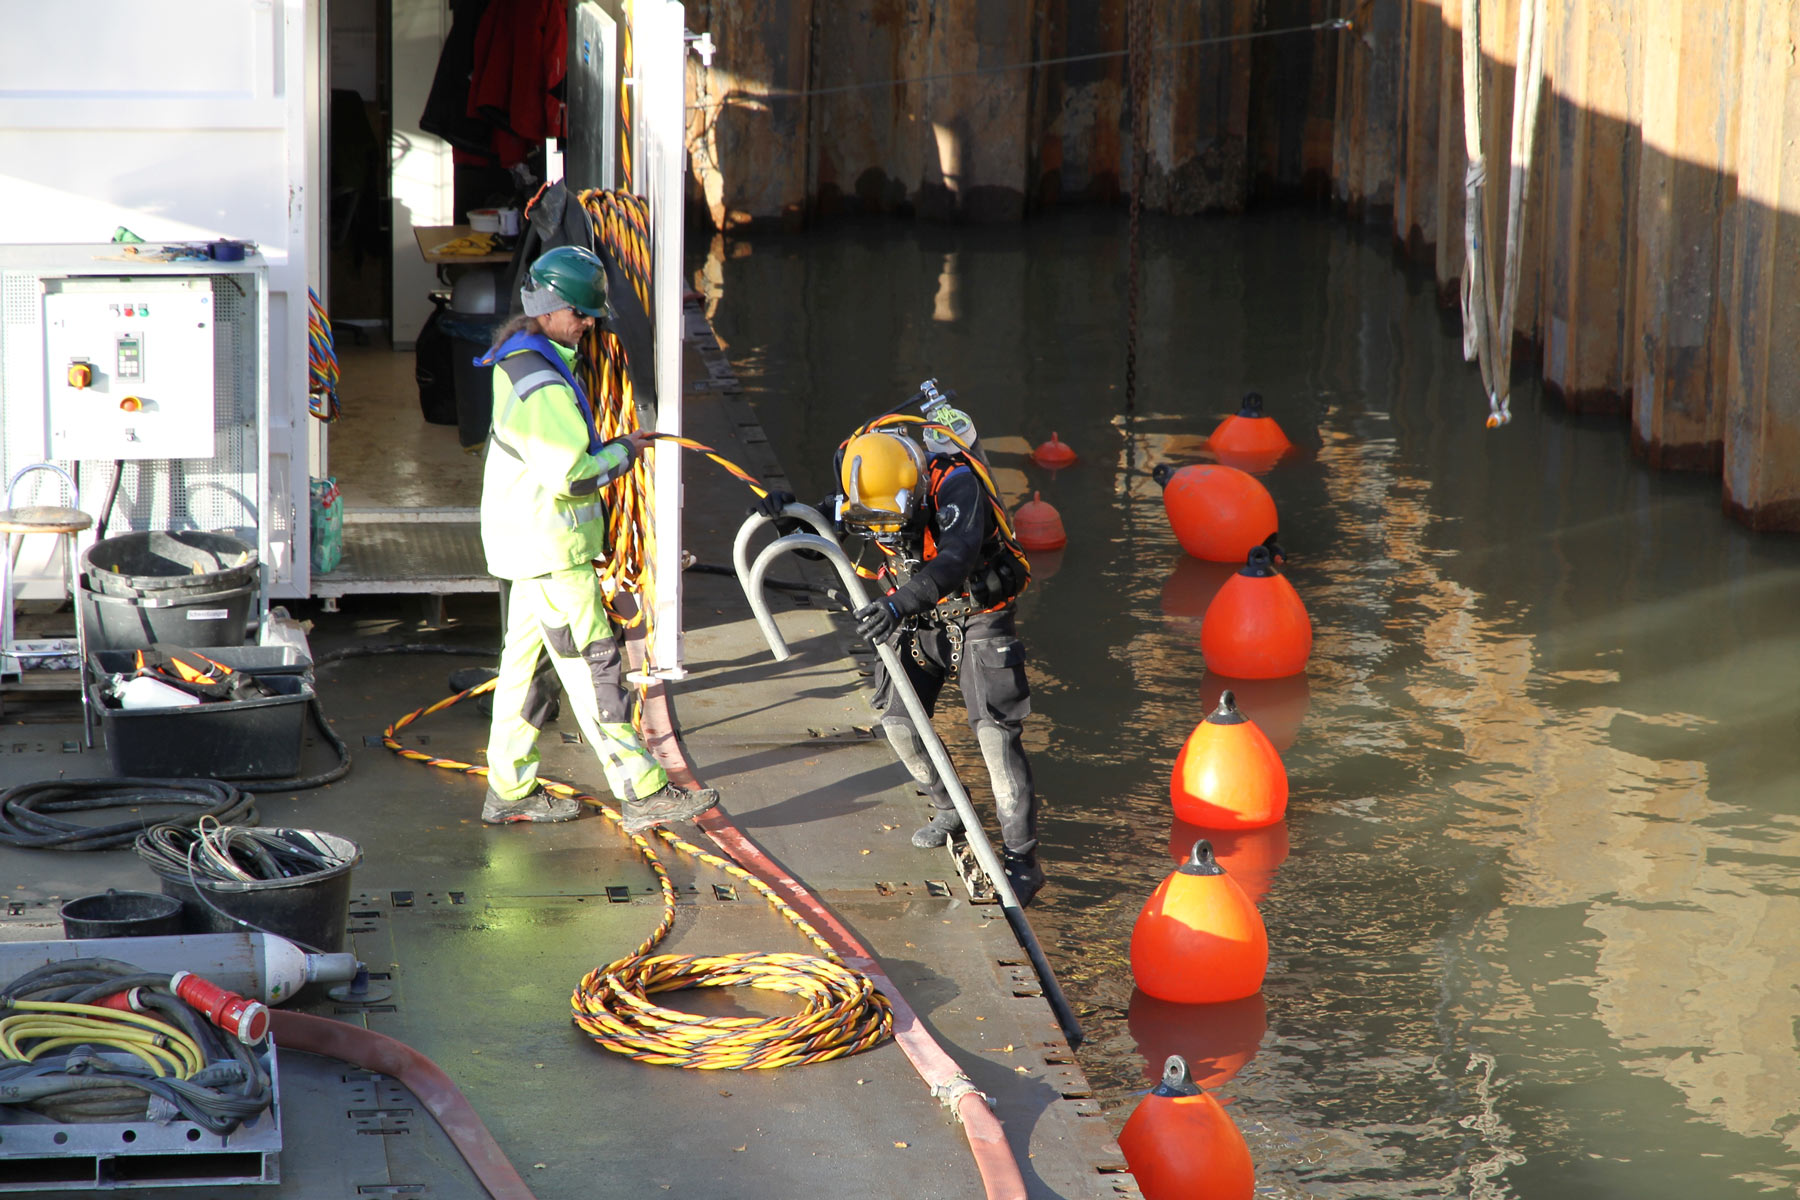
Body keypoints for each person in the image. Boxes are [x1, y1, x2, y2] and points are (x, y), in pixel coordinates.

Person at [474, 244, 718, 832]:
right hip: (552, 548)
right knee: (596, 669)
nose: (587, 326)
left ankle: (508, 789)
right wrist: (623, 453)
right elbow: (570, 473)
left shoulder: (523, 356)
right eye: (582, 315)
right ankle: (644, 791)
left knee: (524, 674)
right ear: (551, 308)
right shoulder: (544, 383)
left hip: (527, 544)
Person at [759, 409, 1043, 903]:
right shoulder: (864, 486)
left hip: (976, 612)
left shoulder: (956, 487)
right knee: (898, 723)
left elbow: (955, 558)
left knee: (995, 737)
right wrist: (784, 518)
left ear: (912, 496)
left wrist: (896, 604)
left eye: (895, 524)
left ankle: (1022, 859)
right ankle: (951, 808)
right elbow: (815, 539)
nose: (886, 537)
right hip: (914, 613)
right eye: (876, 528)